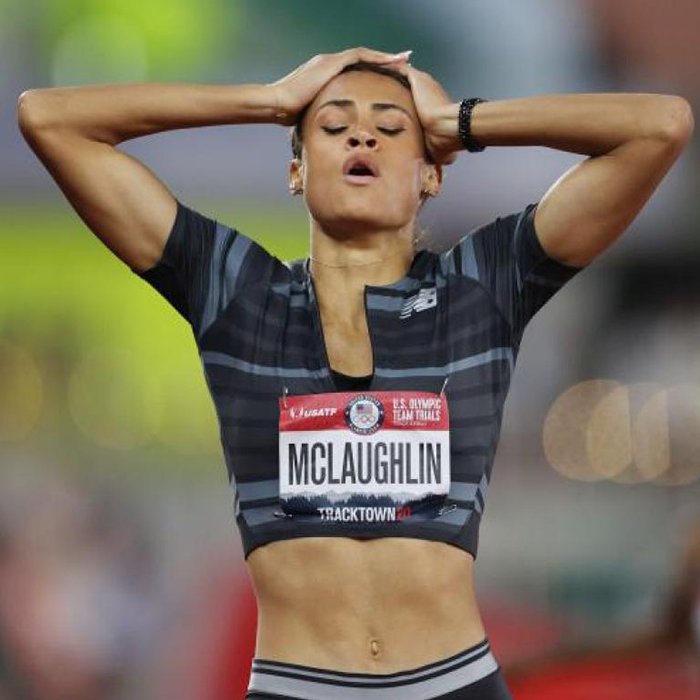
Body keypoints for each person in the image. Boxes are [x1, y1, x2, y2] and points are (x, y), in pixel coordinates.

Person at [17, 46, 693, 700]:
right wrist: (268, 101)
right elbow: (49, 119)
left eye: (392, 130)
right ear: (296, 171)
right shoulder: (238, 294)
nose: (362, 138)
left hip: (452, 683)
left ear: (430, 175)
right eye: (334, 127)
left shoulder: (480, 288)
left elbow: (661, 126)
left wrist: (460, 120)